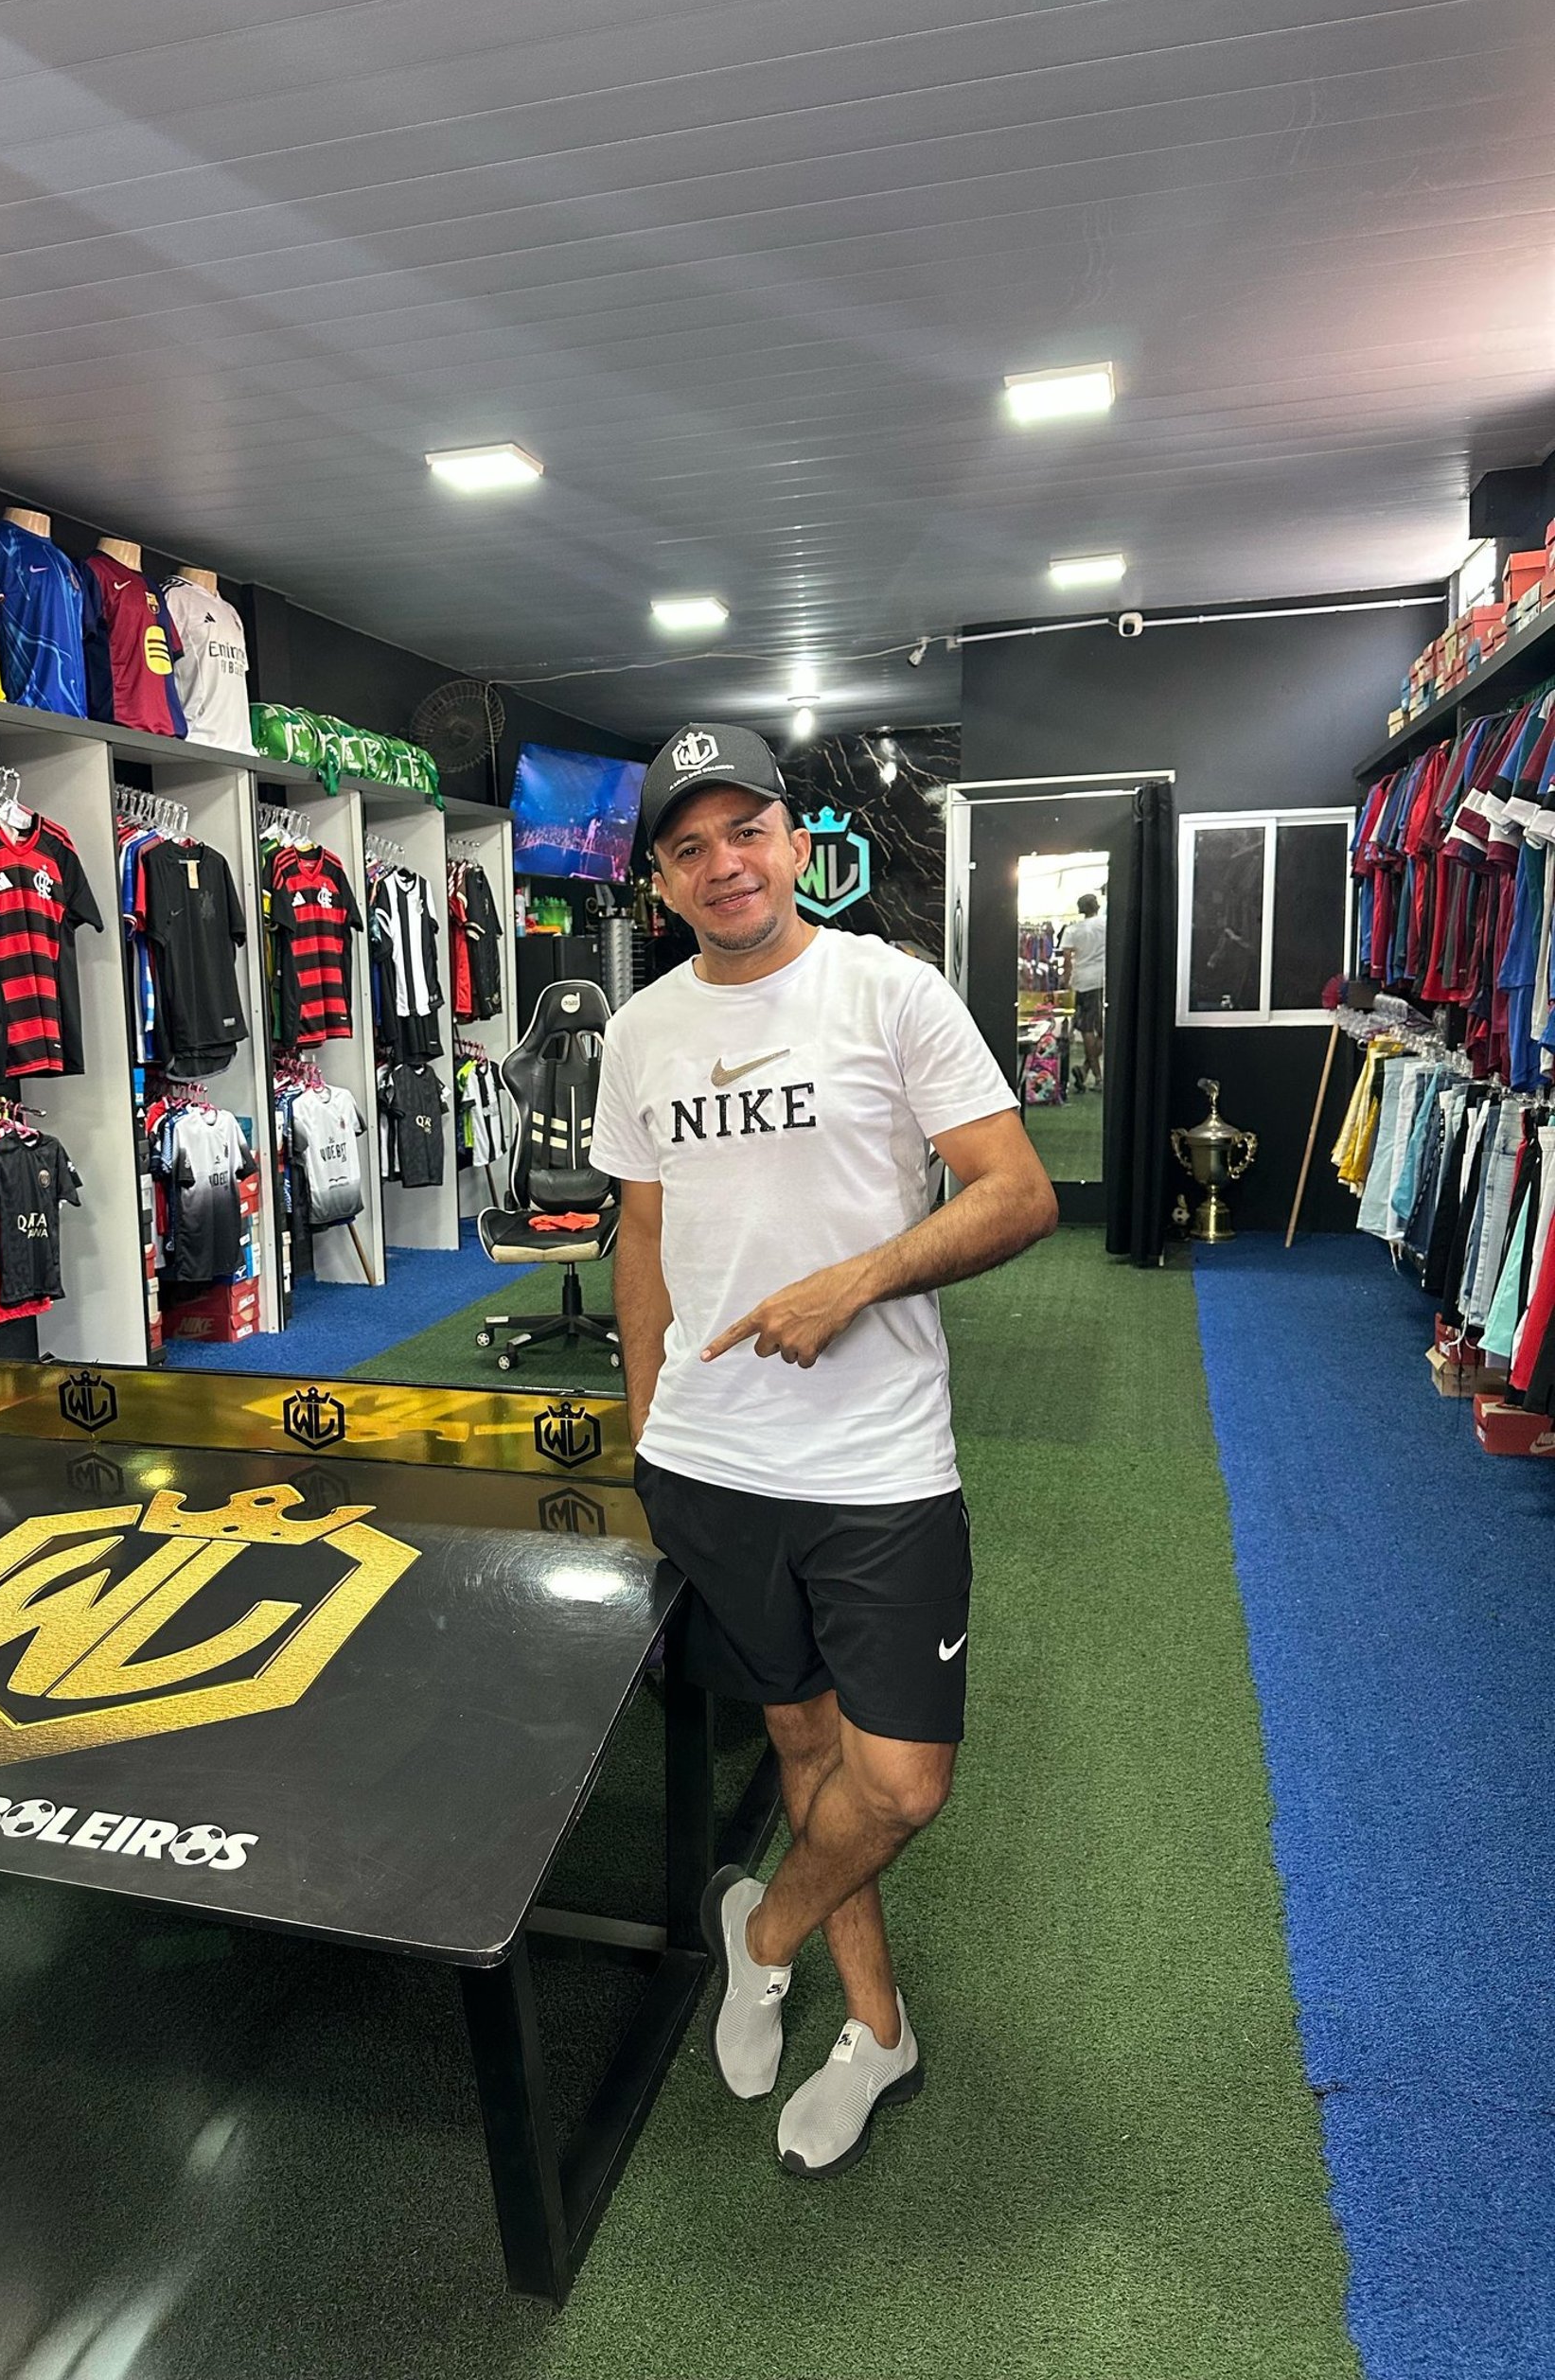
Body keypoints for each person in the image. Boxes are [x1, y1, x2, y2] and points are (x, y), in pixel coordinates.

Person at [590, 722, 1057, 2178]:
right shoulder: (643, 1028)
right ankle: (878, 2029)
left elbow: (1018, 1191)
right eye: (690, 846)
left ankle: (765, 1929)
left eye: (747, 832)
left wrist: (857, 1279)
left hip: (877, 1465)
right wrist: (644, 1413)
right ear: (663, 883)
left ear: (798, 845)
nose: (724, 864)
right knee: (800, 1745)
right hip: (711, 1463)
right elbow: (647, 1232)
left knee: (902, 1781)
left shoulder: (888, 991)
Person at [1059, 891, 1106, 1093]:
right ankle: (1088, 1070)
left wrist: (1067, 980)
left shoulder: (1072, 930)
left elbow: (1068, 959)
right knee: (1103, 1030)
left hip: (1083, 981)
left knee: (1086, 1028)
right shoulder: (1106, 924)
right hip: (1105, 979)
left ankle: (1095, 1075)